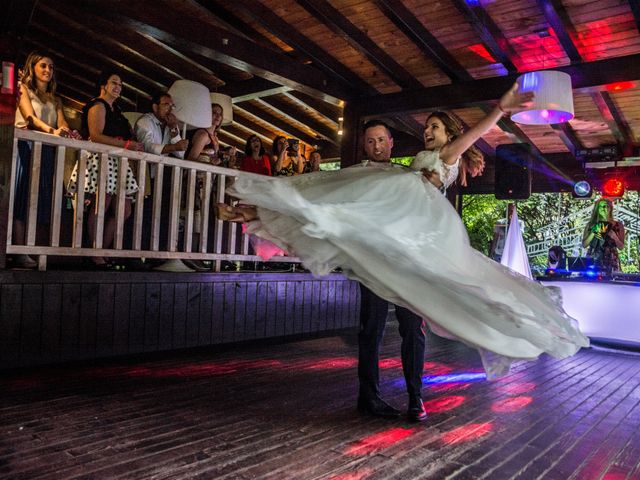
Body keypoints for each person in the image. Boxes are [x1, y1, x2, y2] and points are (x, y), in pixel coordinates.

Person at [215, 84, 588, 422]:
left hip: (420, 239)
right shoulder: (407, 167)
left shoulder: (443, 156)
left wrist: (499, 110)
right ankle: (251, 211)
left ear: (445, 136)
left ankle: (415, 396)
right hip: (395, 240)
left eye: (436, 128)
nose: (428, 131)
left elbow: (471, 135)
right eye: (427, 127)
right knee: (330, 211)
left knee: (425, 314)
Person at [67, 70, 143, 268]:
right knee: (102, 204)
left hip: (118, 162)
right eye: (114, 83)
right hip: (101, 159)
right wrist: (126, 145)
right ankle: (95, 251)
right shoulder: (98, 105)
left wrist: (132, 143)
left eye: (120, 84)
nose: (118, 87)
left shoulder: (117, 110)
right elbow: (96, 135)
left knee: (124, 209)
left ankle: (104, 248)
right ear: (104, 85)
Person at [12, 51, 78, 268]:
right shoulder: (23, 90)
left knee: (40, 200)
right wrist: (53, 131)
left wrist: (68, 132)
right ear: (33, 68)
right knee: (23, 198)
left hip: (48, 151)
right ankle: (19, 249)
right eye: (43, 66)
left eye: (51, 67)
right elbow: (30, 118)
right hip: (27, 146)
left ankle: (32, 248)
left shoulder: (55, 99)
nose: (48, 70)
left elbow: (63, 123)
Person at [134, 92, 189, 258]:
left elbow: (181, 154)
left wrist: (173, 130)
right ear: (155, 107)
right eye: (166, 105)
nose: (170, 109)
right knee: (145, 216)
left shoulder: (170, 125)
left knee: (163, 217)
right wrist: (174, 147)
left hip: (164, 178)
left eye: (172, 106)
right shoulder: (145, 121)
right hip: (146, 176)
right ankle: (138, 254)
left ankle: (158, 255)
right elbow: (148, 146)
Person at [582, 198, 625, 273]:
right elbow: (584, 244)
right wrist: (593, 232)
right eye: (601, 206)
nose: (604, 208)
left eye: (606, 206)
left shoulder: (618, 225)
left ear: (610, 208)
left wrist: (614, 236)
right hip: (594, 257)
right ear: (597, 209)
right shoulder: (591, 225)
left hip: (610, 257)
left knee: (611, 281)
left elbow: (621, 247)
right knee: (591, 281)